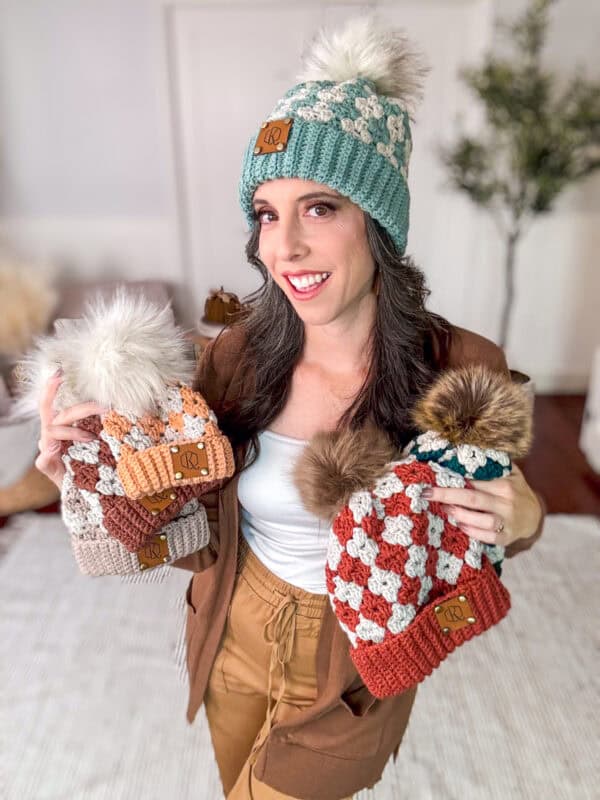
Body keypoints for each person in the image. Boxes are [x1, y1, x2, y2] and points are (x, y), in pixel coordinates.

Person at [35, 17, 546, 800]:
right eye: (268, 214)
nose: (285, 248)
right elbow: (185, 523)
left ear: (378, 224)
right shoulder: (236, 357)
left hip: (352, 669)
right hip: (231, 631)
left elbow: (503, 520)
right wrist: (82, 473)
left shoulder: (462, 372)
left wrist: (523, 520)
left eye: (320, 208)